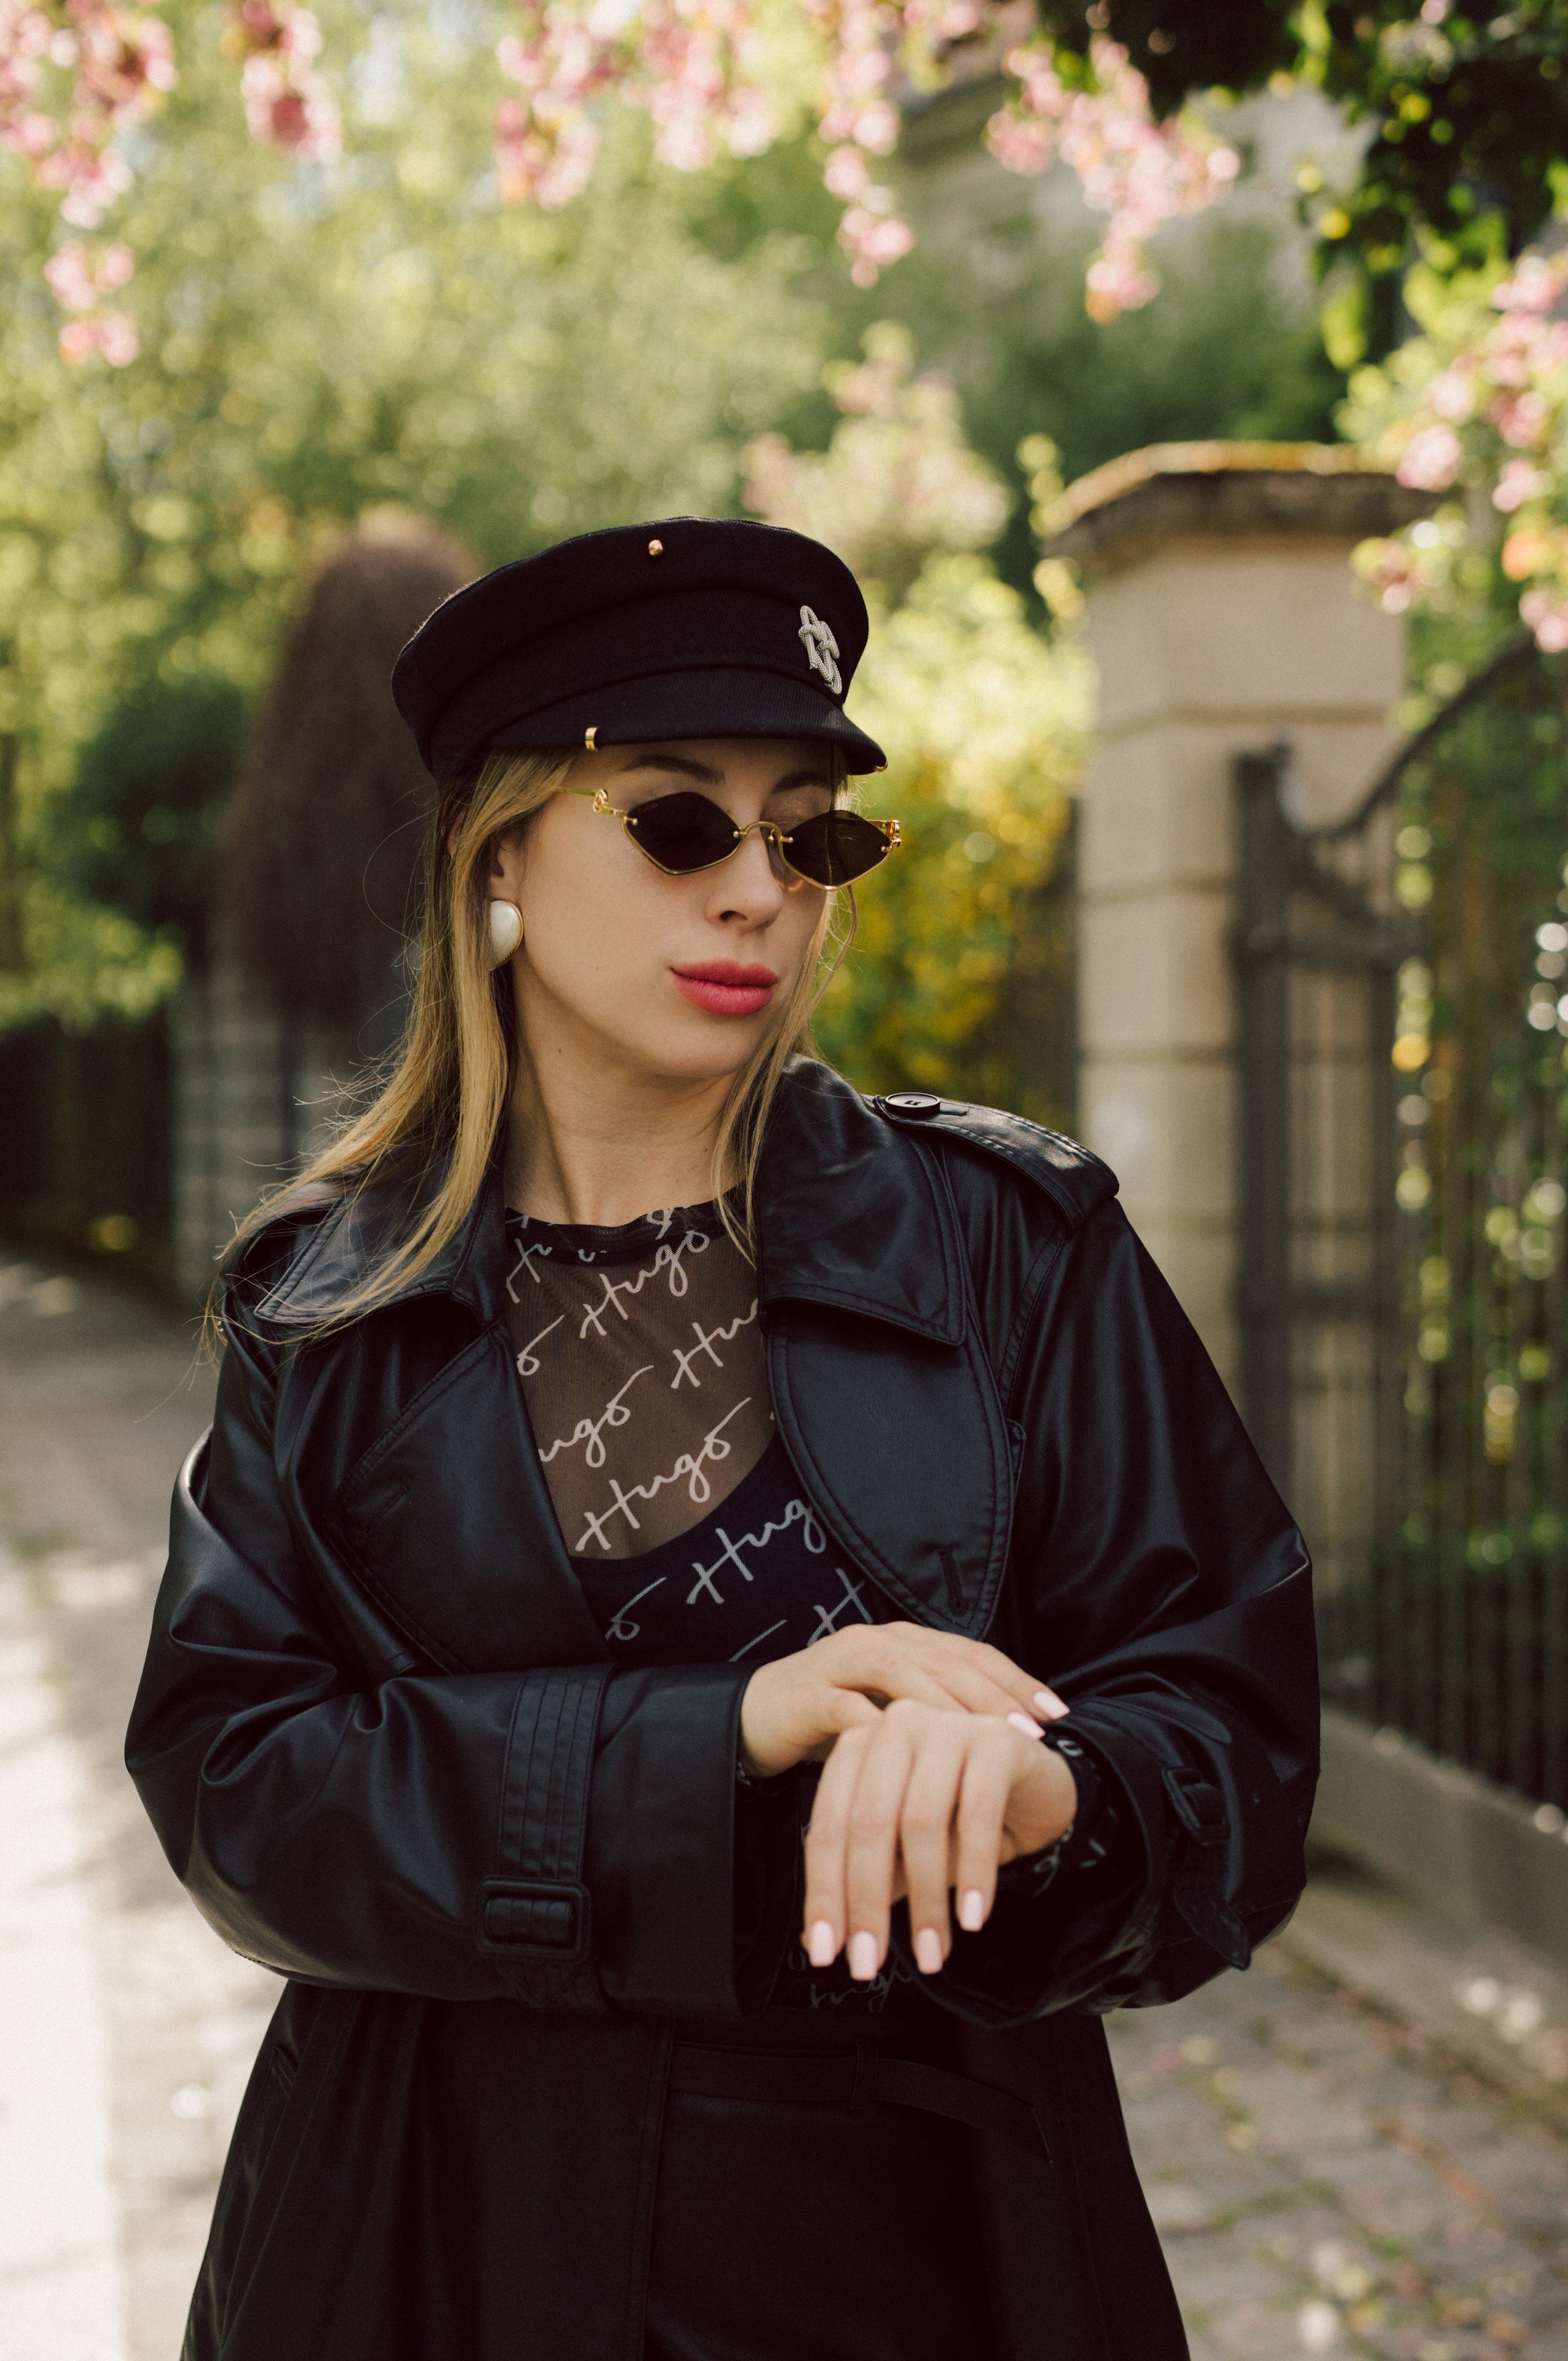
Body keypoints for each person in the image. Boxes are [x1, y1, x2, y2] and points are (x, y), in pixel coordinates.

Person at [126, 516, 1318, 2361]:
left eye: (813, 833)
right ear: (498, 840)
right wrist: (716, 1741)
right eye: (680, 820)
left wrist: (1055, 1796)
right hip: (434, 2241)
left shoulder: (1012, 1244)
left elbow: (1234, 1725)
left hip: (929, 2245)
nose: (758, 887)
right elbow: (237, 1786)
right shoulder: (326, 1305)